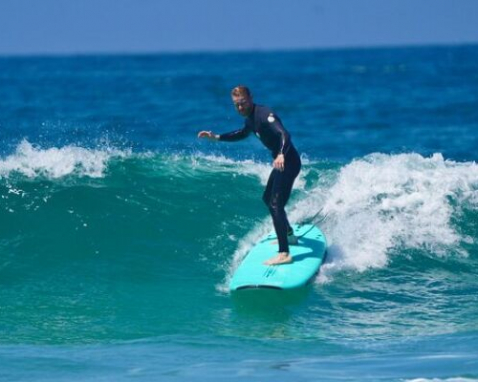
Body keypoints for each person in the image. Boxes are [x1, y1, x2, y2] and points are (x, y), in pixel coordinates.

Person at [198, 86, 301, 265]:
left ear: (250, 98)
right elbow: (242, 133)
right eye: (236, 105)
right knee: (268, 198)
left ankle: (284, 253)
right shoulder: (250, 119)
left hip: (288, 162)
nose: (240, 108)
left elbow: (284, 134)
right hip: (282, 163)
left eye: (243, 103)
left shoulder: (264, 114)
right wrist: (216, 137)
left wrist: (281, 153)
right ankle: (289, 234)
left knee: (275, 205)